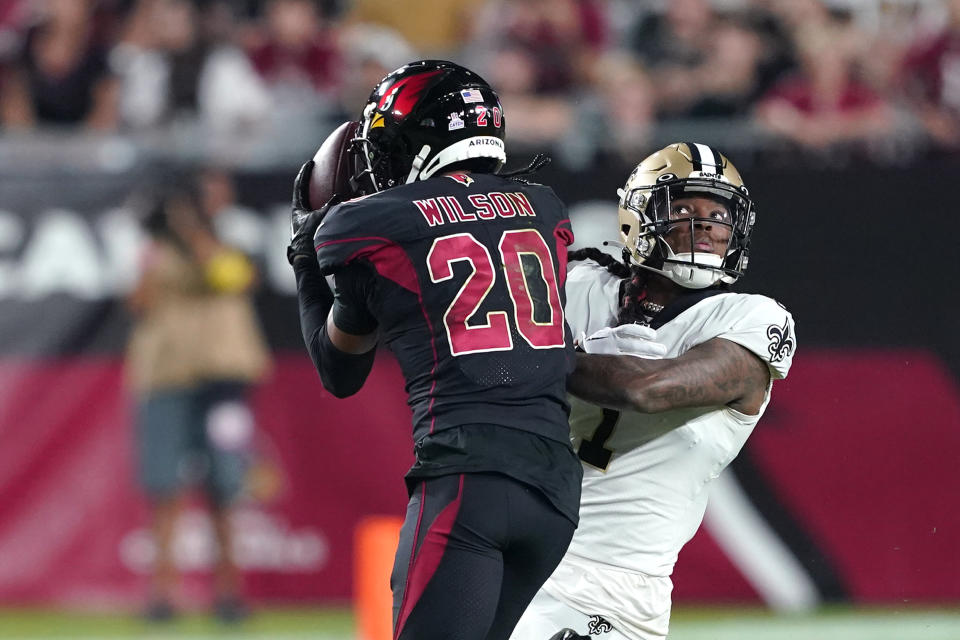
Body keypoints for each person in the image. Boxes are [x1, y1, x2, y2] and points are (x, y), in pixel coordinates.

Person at [287, 60, 583, 640]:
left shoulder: (367, 223)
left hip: (468, 477)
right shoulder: (545, 208)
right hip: (554, 489)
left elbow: (338, 372)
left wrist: (304, 254)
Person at [510, 142, 796, 640]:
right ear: (637, 218)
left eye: (718, 214)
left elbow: (647, 389)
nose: (705, 224)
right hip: (509, 552)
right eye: (683, 208)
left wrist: (532, 353)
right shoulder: (579, 283)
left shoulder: (751, 319)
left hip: (606, 587)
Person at [126, 176, 271, 623]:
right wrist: (161, 243)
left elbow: (233, 279)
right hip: (167, 375)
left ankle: (229, 595)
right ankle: (162, 596)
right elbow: (139, 303)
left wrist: (195, 235)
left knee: (227, 488)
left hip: (223, 378)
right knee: (164, 488)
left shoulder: (238, 236)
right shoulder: (157, 246)